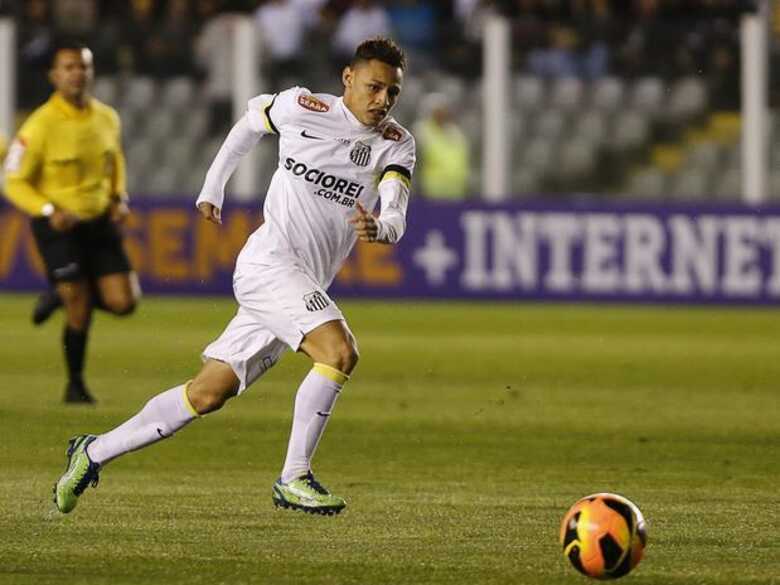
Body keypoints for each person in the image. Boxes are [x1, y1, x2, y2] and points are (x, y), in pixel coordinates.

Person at [53, 37, 415, 516]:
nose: (382, 101)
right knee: (339, 350)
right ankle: (294, 476)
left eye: (392, 93)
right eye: (374, 87)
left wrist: (381, 228)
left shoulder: (396, 143)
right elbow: (248, 126)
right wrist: (212, 188)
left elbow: (395, 211)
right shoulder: (300, 107)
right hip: (269, 265)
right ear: (348, 79)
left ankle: (92, 452)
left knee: (207, 393)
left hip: (301, 283)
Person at [3, 42, 140, 404]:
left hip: (98, 221)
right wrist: (49, 211)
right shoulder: (39, 125)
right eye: (68, 67)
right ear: (54, 76)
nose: (77, 73)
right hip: (58, 226)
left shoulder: (107, 117)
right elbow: (13, 180)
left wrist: (119, 198)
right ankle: (75, 384)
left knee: (125, 302)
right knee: (79, 302)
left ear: (90, 72)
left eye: (82, 66)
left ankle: (60, 292)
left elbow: (116, 162)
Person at [414, 93, 470, 200]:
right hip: (430, 192)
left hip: (457, 191)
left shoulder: (455, 132)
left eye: (444, 111)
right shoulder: (421, 131)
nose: (442, 114)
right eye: (438, 111)